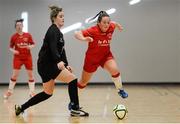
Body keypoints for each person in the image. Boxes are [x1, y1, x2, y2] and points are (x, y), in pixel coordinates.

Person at [15, 5, 89, 117]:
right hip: (47, 65)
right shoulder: (53, 30)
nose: (63, 18)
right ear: (54, 18)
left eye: (63, 16)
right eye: (61, 16)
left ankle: (22, 107)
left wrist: (66, 65)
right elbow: (53, 47)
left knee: (47, 93)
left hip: (45, 65)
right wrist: (58, 61)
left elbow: (61, 50)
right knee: (73, 80)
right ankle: (74, 108)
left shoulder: (59, 32)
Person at [74, 11, 128, 98]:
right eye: (104, 22)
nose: (107, 24)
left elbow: (114, 23)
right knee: (83, 82)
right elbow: (77, 34)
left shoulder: (111, 26)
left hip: (105, 56)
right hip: (92, 59)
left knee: (114, 69)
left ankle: (120, 89)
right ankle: (73, 100)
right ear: (99, 23)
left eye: (108, 22)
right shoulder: (93, 30)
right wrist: (83, 39)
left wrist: (119, 26)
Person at [4, 19, 36, 99]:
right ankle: (9, 91)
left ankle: (32, 92)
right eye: (17, 25)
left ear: (22, 26)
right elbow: (10, 48)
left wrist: (30, 46)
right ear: (15, 27)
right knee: (15, 75)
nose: (19, 26)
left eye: (20, 25)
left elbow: (33, 44)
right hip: (18, 58)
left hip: (27, 57)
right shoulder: (14, 37)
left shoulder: (28, 35)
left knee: (30, 75)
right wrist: (14, 51)